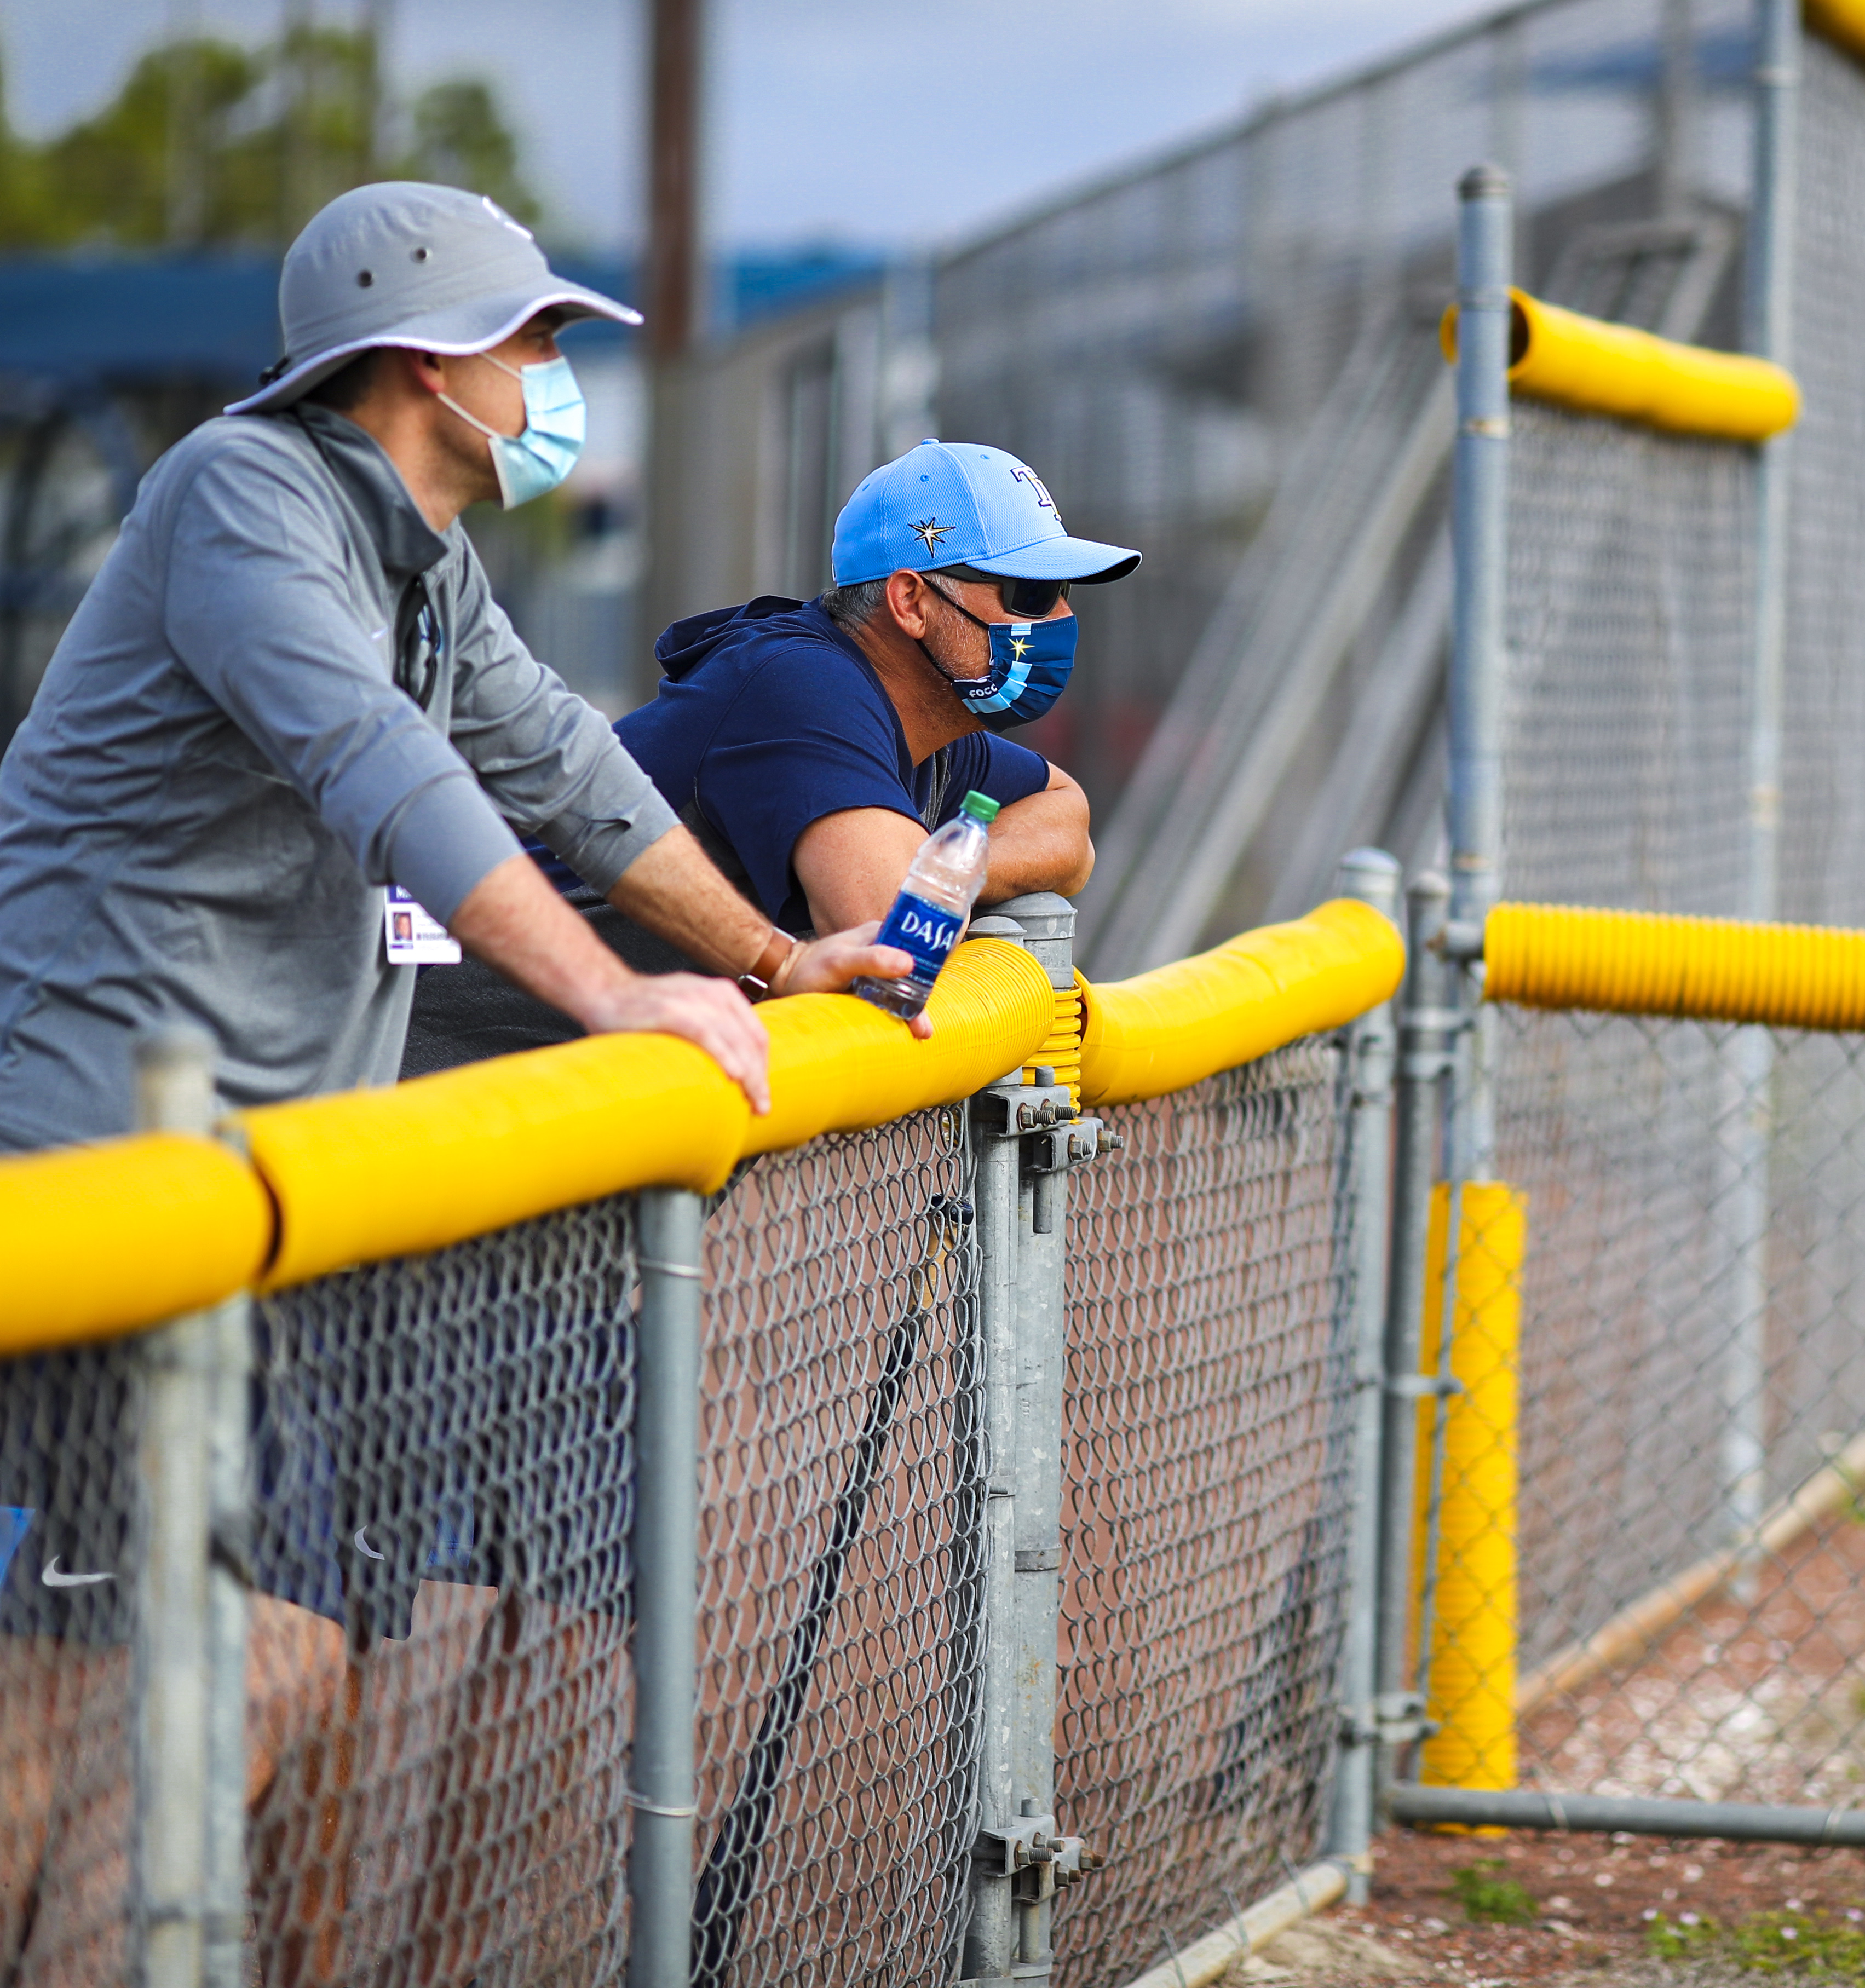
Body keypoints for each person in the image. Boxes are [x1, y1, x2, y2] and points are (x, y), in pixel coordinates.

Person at [0, 180, 903, 1979]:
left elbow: (566, 769)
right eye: (536, 335)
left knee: (184, 1663)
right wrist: (612, 990)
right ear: (426, 358)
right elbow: (384, 767)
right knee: (173, 1665)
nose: (554, 372)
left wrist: (766, 957)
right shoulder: (243, 495)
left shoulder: (421, 555)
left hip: (242, 1204)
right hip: (105, 1171)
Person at [402, 437, 1124, 1071]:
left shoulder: (929, 725)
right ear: (911, 601)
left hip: (572, 1101)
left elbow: (1069, 822)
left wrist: (959, 863)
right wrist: (936, 872)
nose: (1062, 620)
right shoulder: (804, 686)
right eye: (1031, 594)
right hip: (437, 1092)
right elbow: (894, 936)